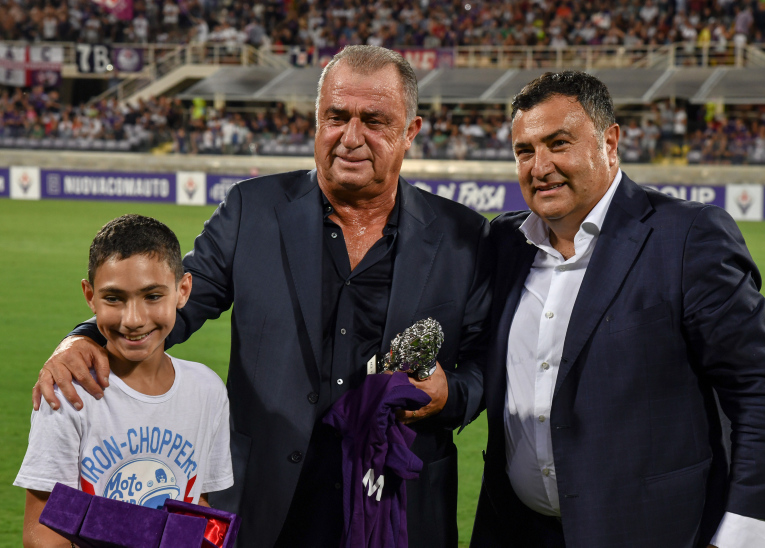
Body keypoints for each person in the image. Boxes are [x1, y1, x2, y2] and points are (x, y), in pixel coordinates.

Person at [33, 46, 490, 548]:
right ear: (316, 121)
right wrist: (82, 340)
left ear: (411, 131)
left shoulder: (463, 236)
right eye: (336, 117)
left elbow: (484, 365)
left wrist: (450, 395)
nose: (351, 137)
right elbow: (175, 302)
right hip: (267, 502)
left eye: (375, 121)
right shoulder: (251, 209)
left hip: (396, 502)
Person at [472, 71, 765, 548]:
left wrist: (742, 533)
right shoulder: (505, 243)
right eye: (524, 151)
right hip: (516, 530)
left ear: (609, 142)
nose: (539, 167)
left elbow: (758, 388)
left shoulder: (687, 236)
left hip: (652, 531)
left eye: (558, 144)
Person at [16, 214, 233, 547]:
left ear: (183, 290)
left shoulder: (207, 390)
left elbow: (196, 502)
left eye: (153, 296)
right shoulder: (69, 392)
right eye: (114, 298)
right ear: (90, 296)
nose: (133, 319)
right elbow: (41, 532)